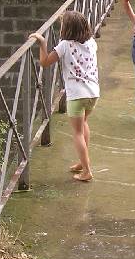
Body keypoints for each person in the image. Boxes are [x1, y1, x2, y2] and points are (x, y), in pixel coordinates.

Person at [28, 11, 99, 182]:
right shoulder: (91, 42)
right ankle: (83, 162)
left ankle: (87, 171)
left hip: (76, 96)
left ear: (67, 30)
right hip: (93, 92)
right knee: (83, 125)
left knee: (77, 133)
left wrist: (43, 43)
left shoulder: (64, 45)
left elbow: (45, 62)